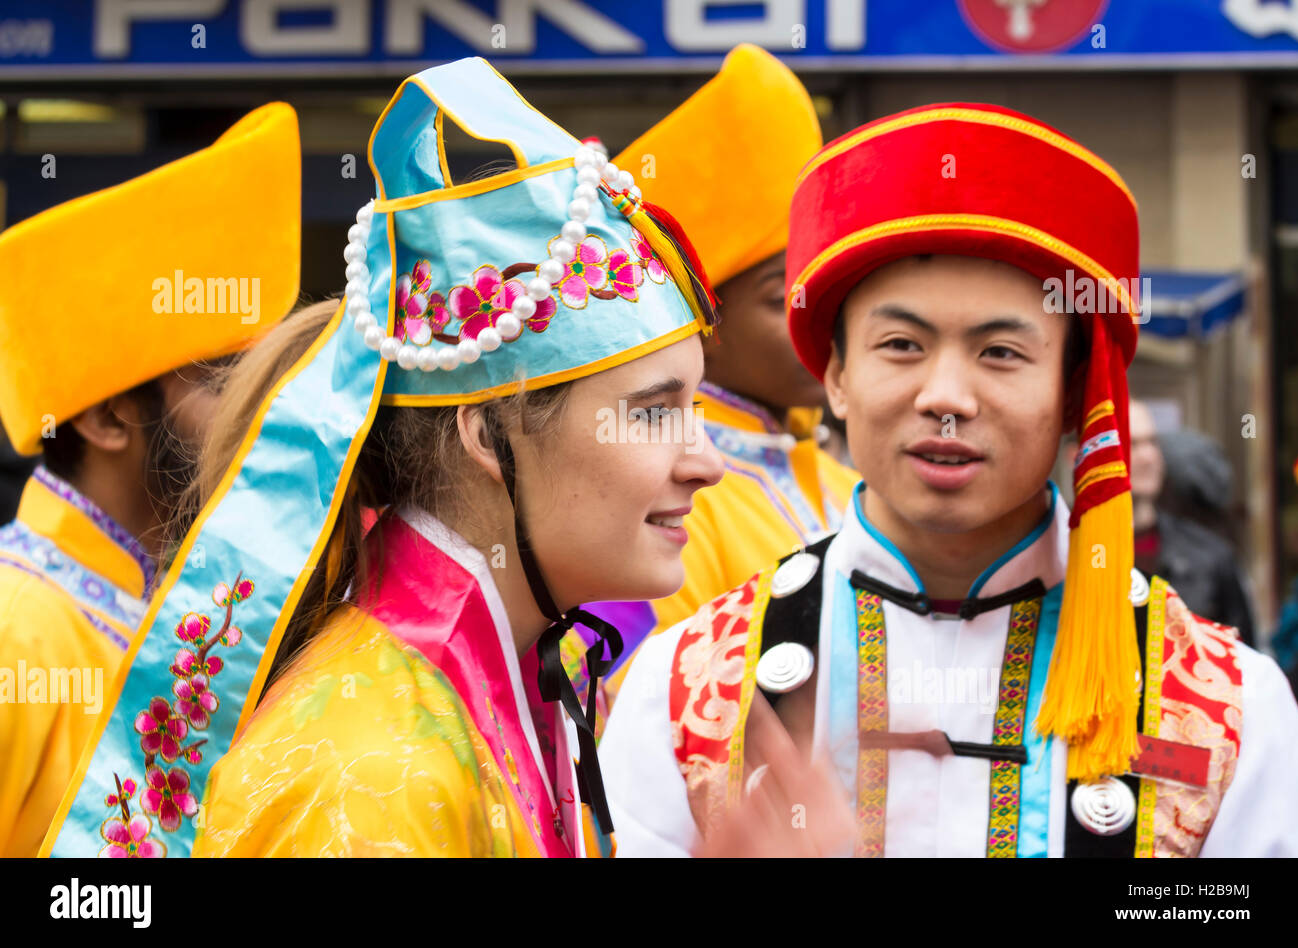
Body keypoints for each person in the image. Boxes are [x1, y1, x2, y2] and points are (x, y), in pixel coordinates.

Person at [40, 58, 850, 859]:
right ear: (485, 435)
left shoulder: (508, 680)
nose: (705, 463)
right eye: (652, 413)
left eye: (696, 410)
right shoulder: (372, 776)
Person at [601, 102, 1298, 857]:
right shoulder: (684, 693)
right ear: (835, 375)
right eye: (901, 344)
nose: (945, 397)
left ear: (1073, 394)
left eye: (1000, 352)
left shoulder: (1225, 711)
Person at [0, 104, 301, 857]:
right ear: (108, 418)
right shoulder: (18, 635)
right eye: (225, 378)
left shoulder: (177, 603)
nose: (263, 409)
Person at [579, 45, 859, 699]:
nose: (823, 321)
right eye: (780, 296)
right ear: (703, 322)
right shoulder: (667, 503)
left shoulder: (855, 483)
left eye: (830, 289)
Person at [1128, 400, 1255, 644]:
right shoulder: (1066, 551)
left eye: (1152, 442)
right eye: (1131, 444)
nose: (1147, 456)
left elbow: (1245, 661)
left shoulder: (1210, 555)